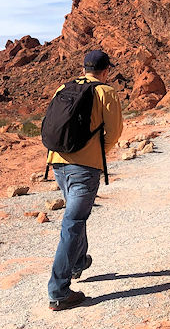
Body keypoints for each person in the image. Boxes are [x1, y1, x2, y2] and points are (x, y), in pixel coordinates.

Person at [46, 50, 123, 311]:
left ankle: (78, 263)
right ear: (106, 70)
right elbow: (113, 133)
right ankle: (58, 292)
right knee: (73, 223)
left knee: (75, 218)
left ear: (84, 68)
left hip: (58, 163)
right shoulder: (106, 92)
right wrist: (95, 153)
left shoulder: (63, 88)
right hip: (84, 168)